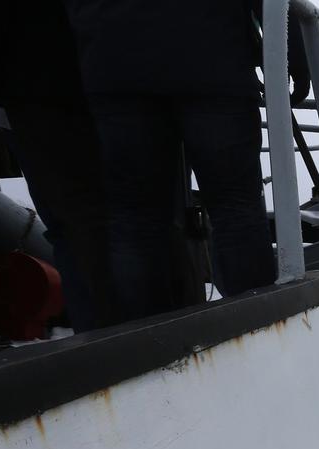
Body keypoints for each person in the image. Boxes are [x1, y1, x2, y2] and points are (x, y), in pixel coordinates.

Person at [62, 0, 279, 321]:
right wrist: (285, 42)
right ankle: (258, 328)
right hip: (211, 52)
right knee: (236, 208)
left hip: (115, 57)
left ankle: (147, 347)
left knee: (135, 221)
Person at [0, 0, 118, 335]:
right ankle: (109, 328)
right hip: (66, 87)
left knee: (71, 230)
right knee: (90, 225)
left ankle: (98, 329)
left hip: (29, 93)